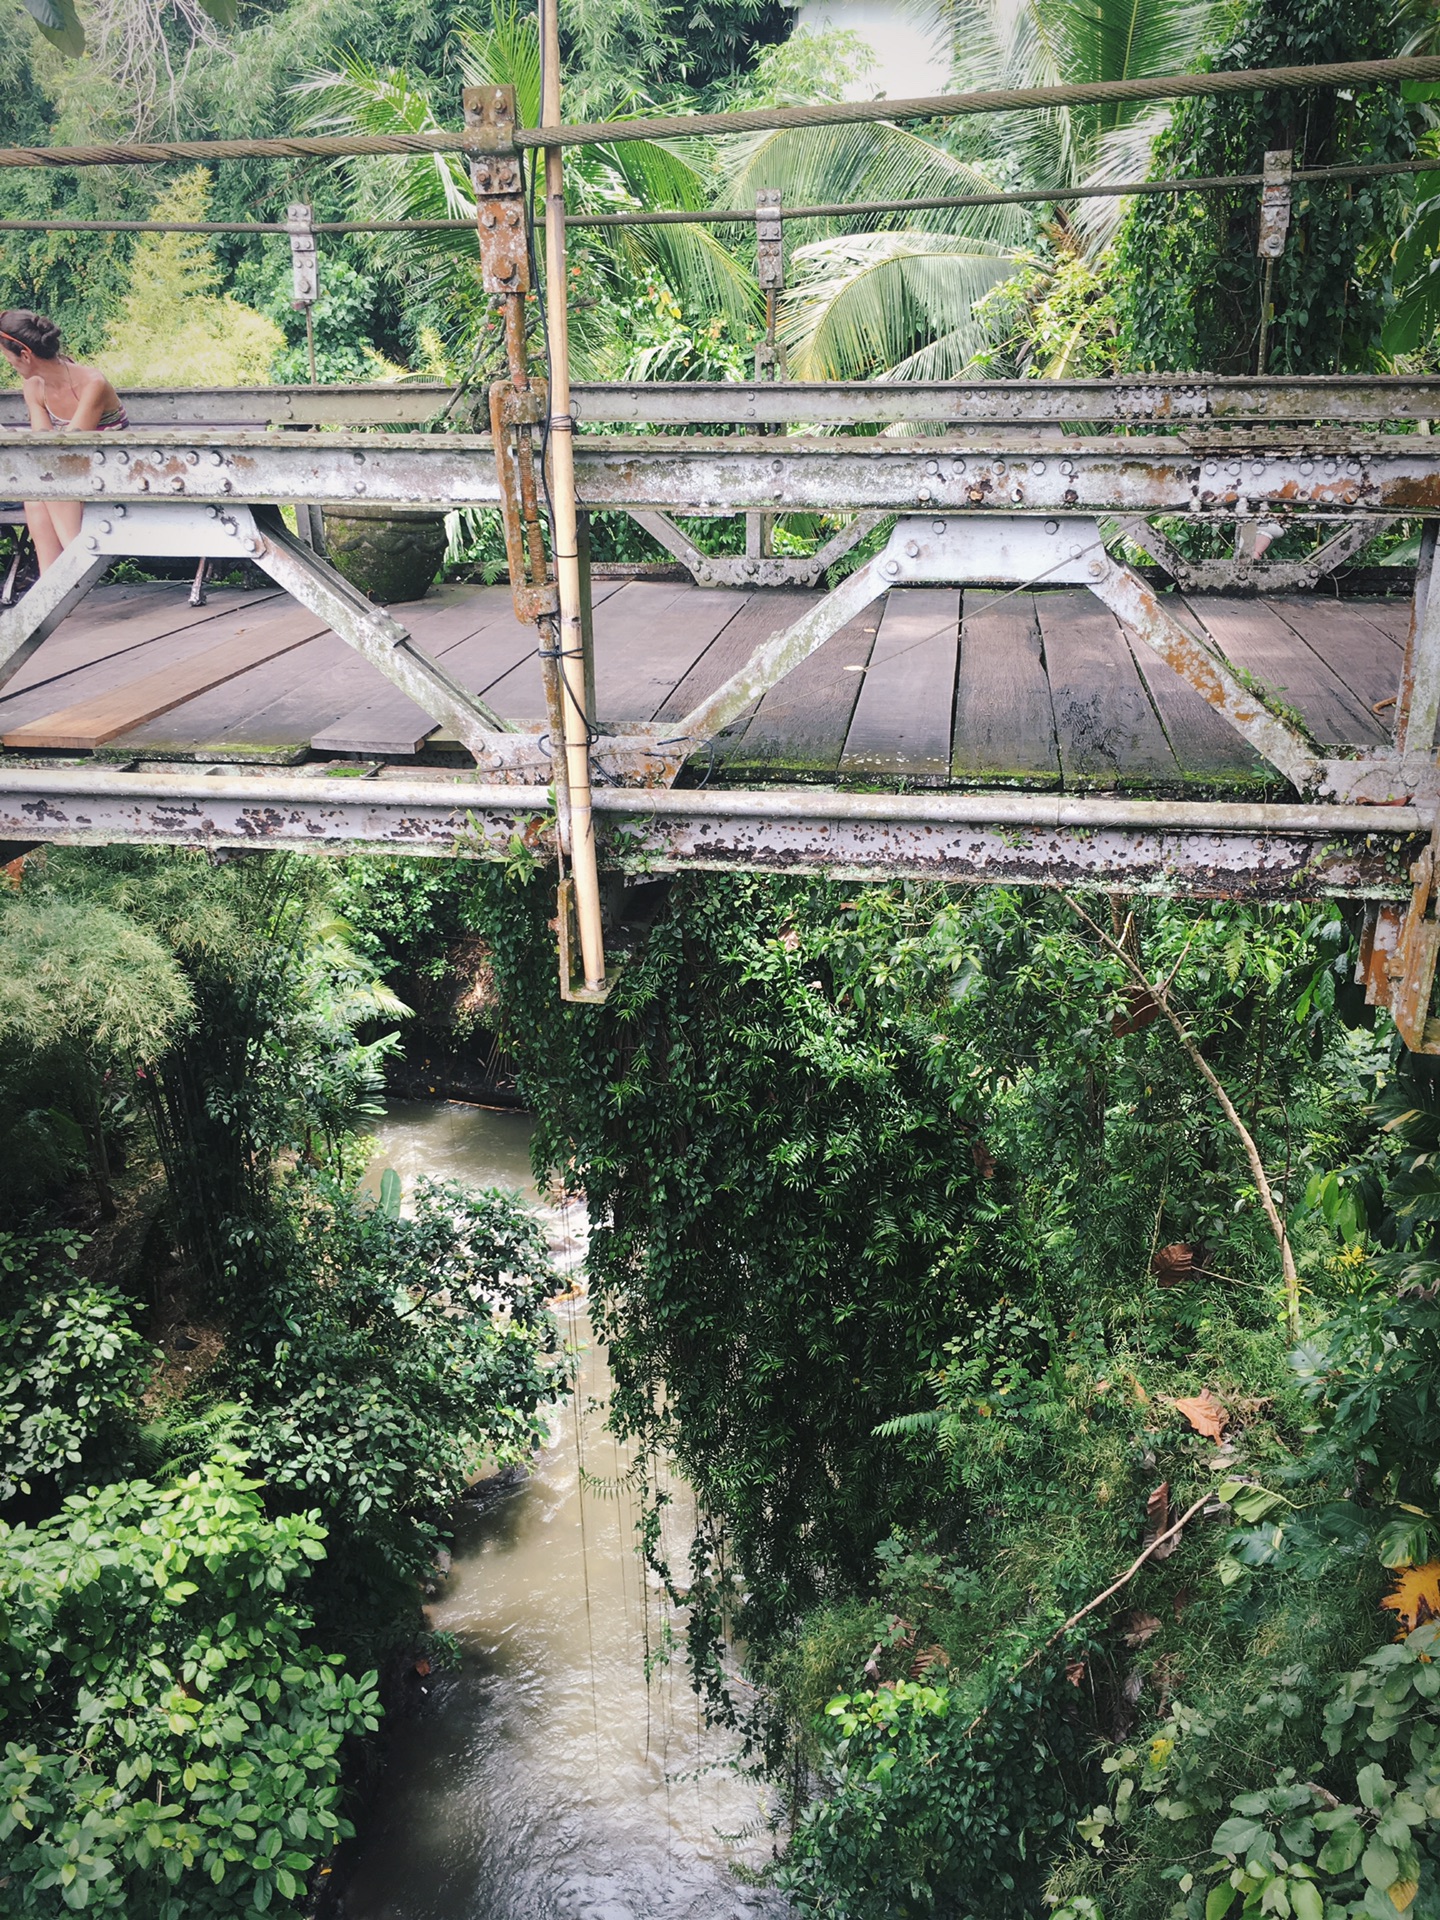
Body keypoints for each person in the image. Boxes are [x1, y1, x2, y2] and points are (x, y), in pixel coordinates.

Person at [0, 309, 128, 573]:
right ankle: (53, 583)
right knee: (36, 496)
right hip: (74, 474)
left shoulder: (93, 383)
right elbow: (44, 447)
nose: (7, 362)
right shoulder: (34, 387)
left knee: (53, 488)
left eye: (8, 356)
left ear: (25, 355)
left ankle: (76, 570)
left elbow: (71, 448)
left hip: (114, 472)